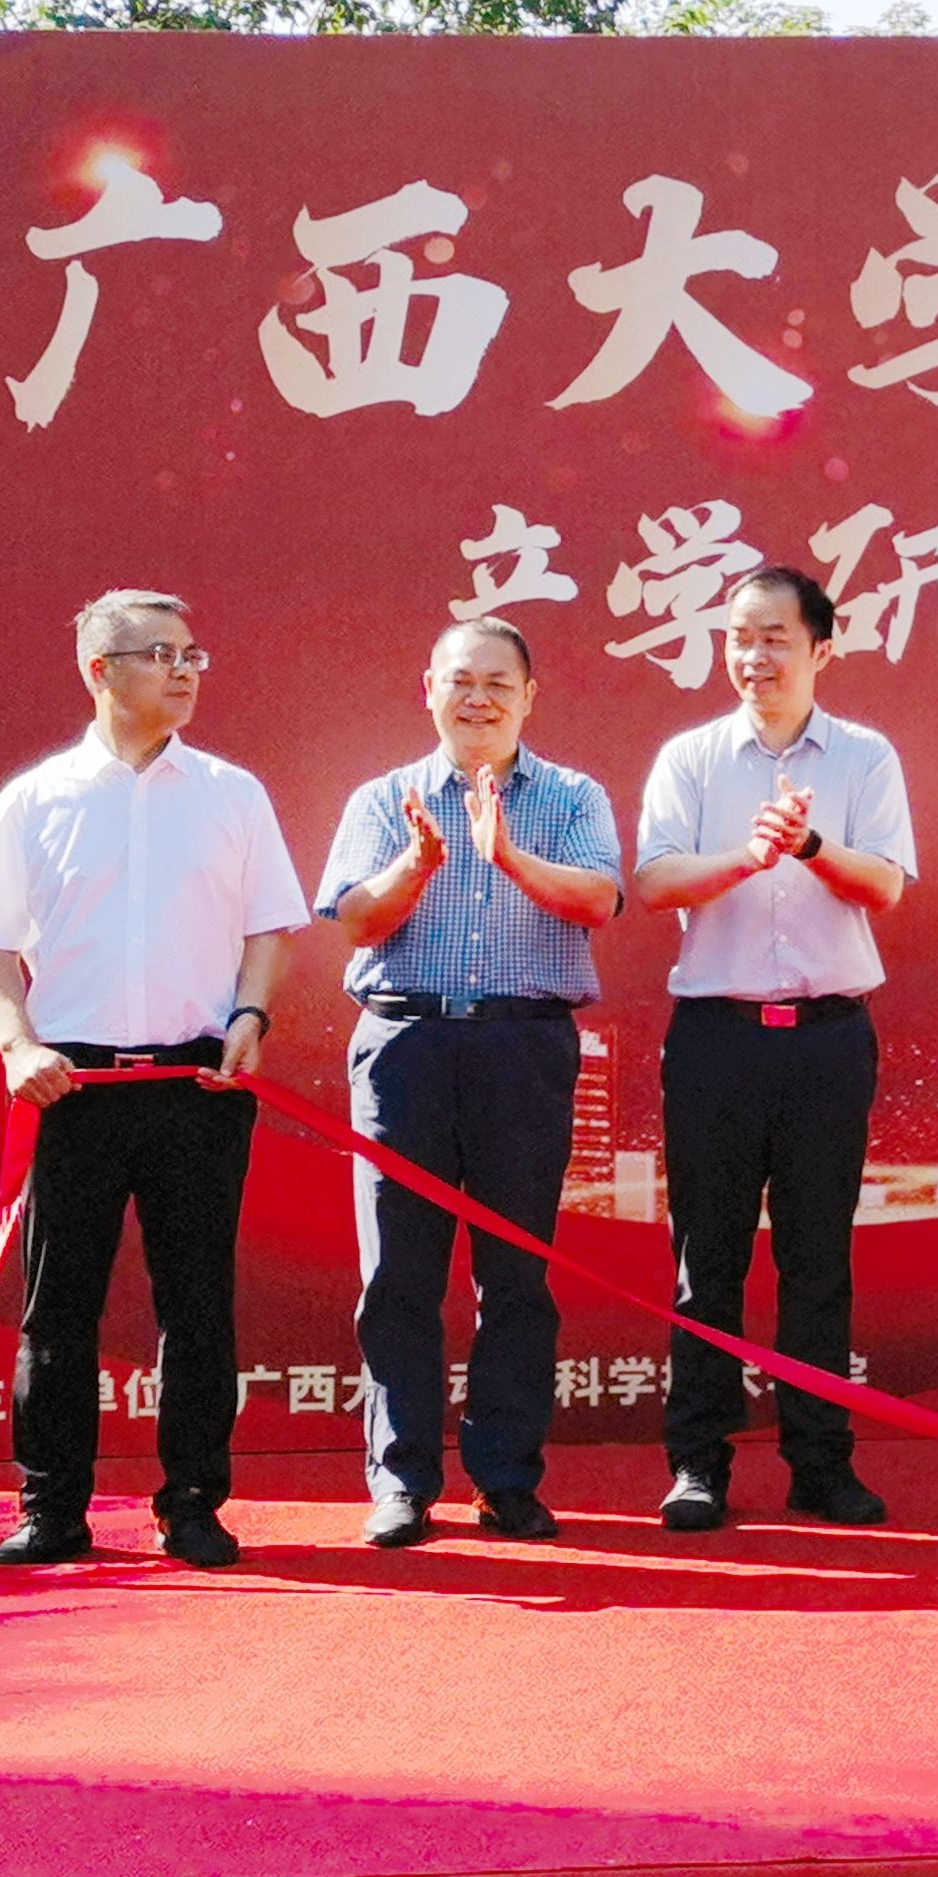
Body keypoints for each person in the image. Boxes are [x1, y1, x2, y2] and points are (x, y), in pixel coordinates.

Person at [0, 590, 306, 1569]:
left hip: (198, 1085)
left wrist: (251, 1016)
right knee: (58, 1309)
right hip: (75, 1089)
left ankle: (193, 1504)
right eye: (160, 654)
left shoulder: (232, 794)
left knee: (197, 1305)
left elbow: (268, 926)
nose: (185, 671)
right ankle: (52, 1508)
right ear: (100, 670)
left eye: (193, 654)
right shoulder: (36, 800)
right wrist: (18, 1047)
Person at [315, 617, 622, 1550]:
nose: (478, 699)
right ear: (429, 690)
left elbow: (599, 899)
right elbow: (356, 920)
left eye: (497, 683)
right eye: (461, 681)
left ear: (529, 697)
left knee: (516, 1274)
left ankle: (506, 1479)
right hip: (405, 1046)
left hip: (522, 1048)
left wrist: (505, 856)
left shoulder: (573, 796)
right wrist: (418, 863)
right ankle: (401, 1481)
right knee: (398, 1275)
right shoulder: (385, 798)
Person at [633, 567, 916, 1532]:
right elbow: (657, 880)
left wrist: (808, 848)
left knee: (817, 1258)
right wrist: (747, 858)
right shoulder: (691, 757)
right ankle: (697, 1463)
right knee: (705, 1259)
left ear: (821, 649)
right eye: (739, 638)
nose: (753, 657)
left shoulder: (866, 756)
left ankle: (820, 1462)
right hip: (717, 1039)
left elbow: (885, 885)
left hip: (827, 1039)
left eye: (775, 639)